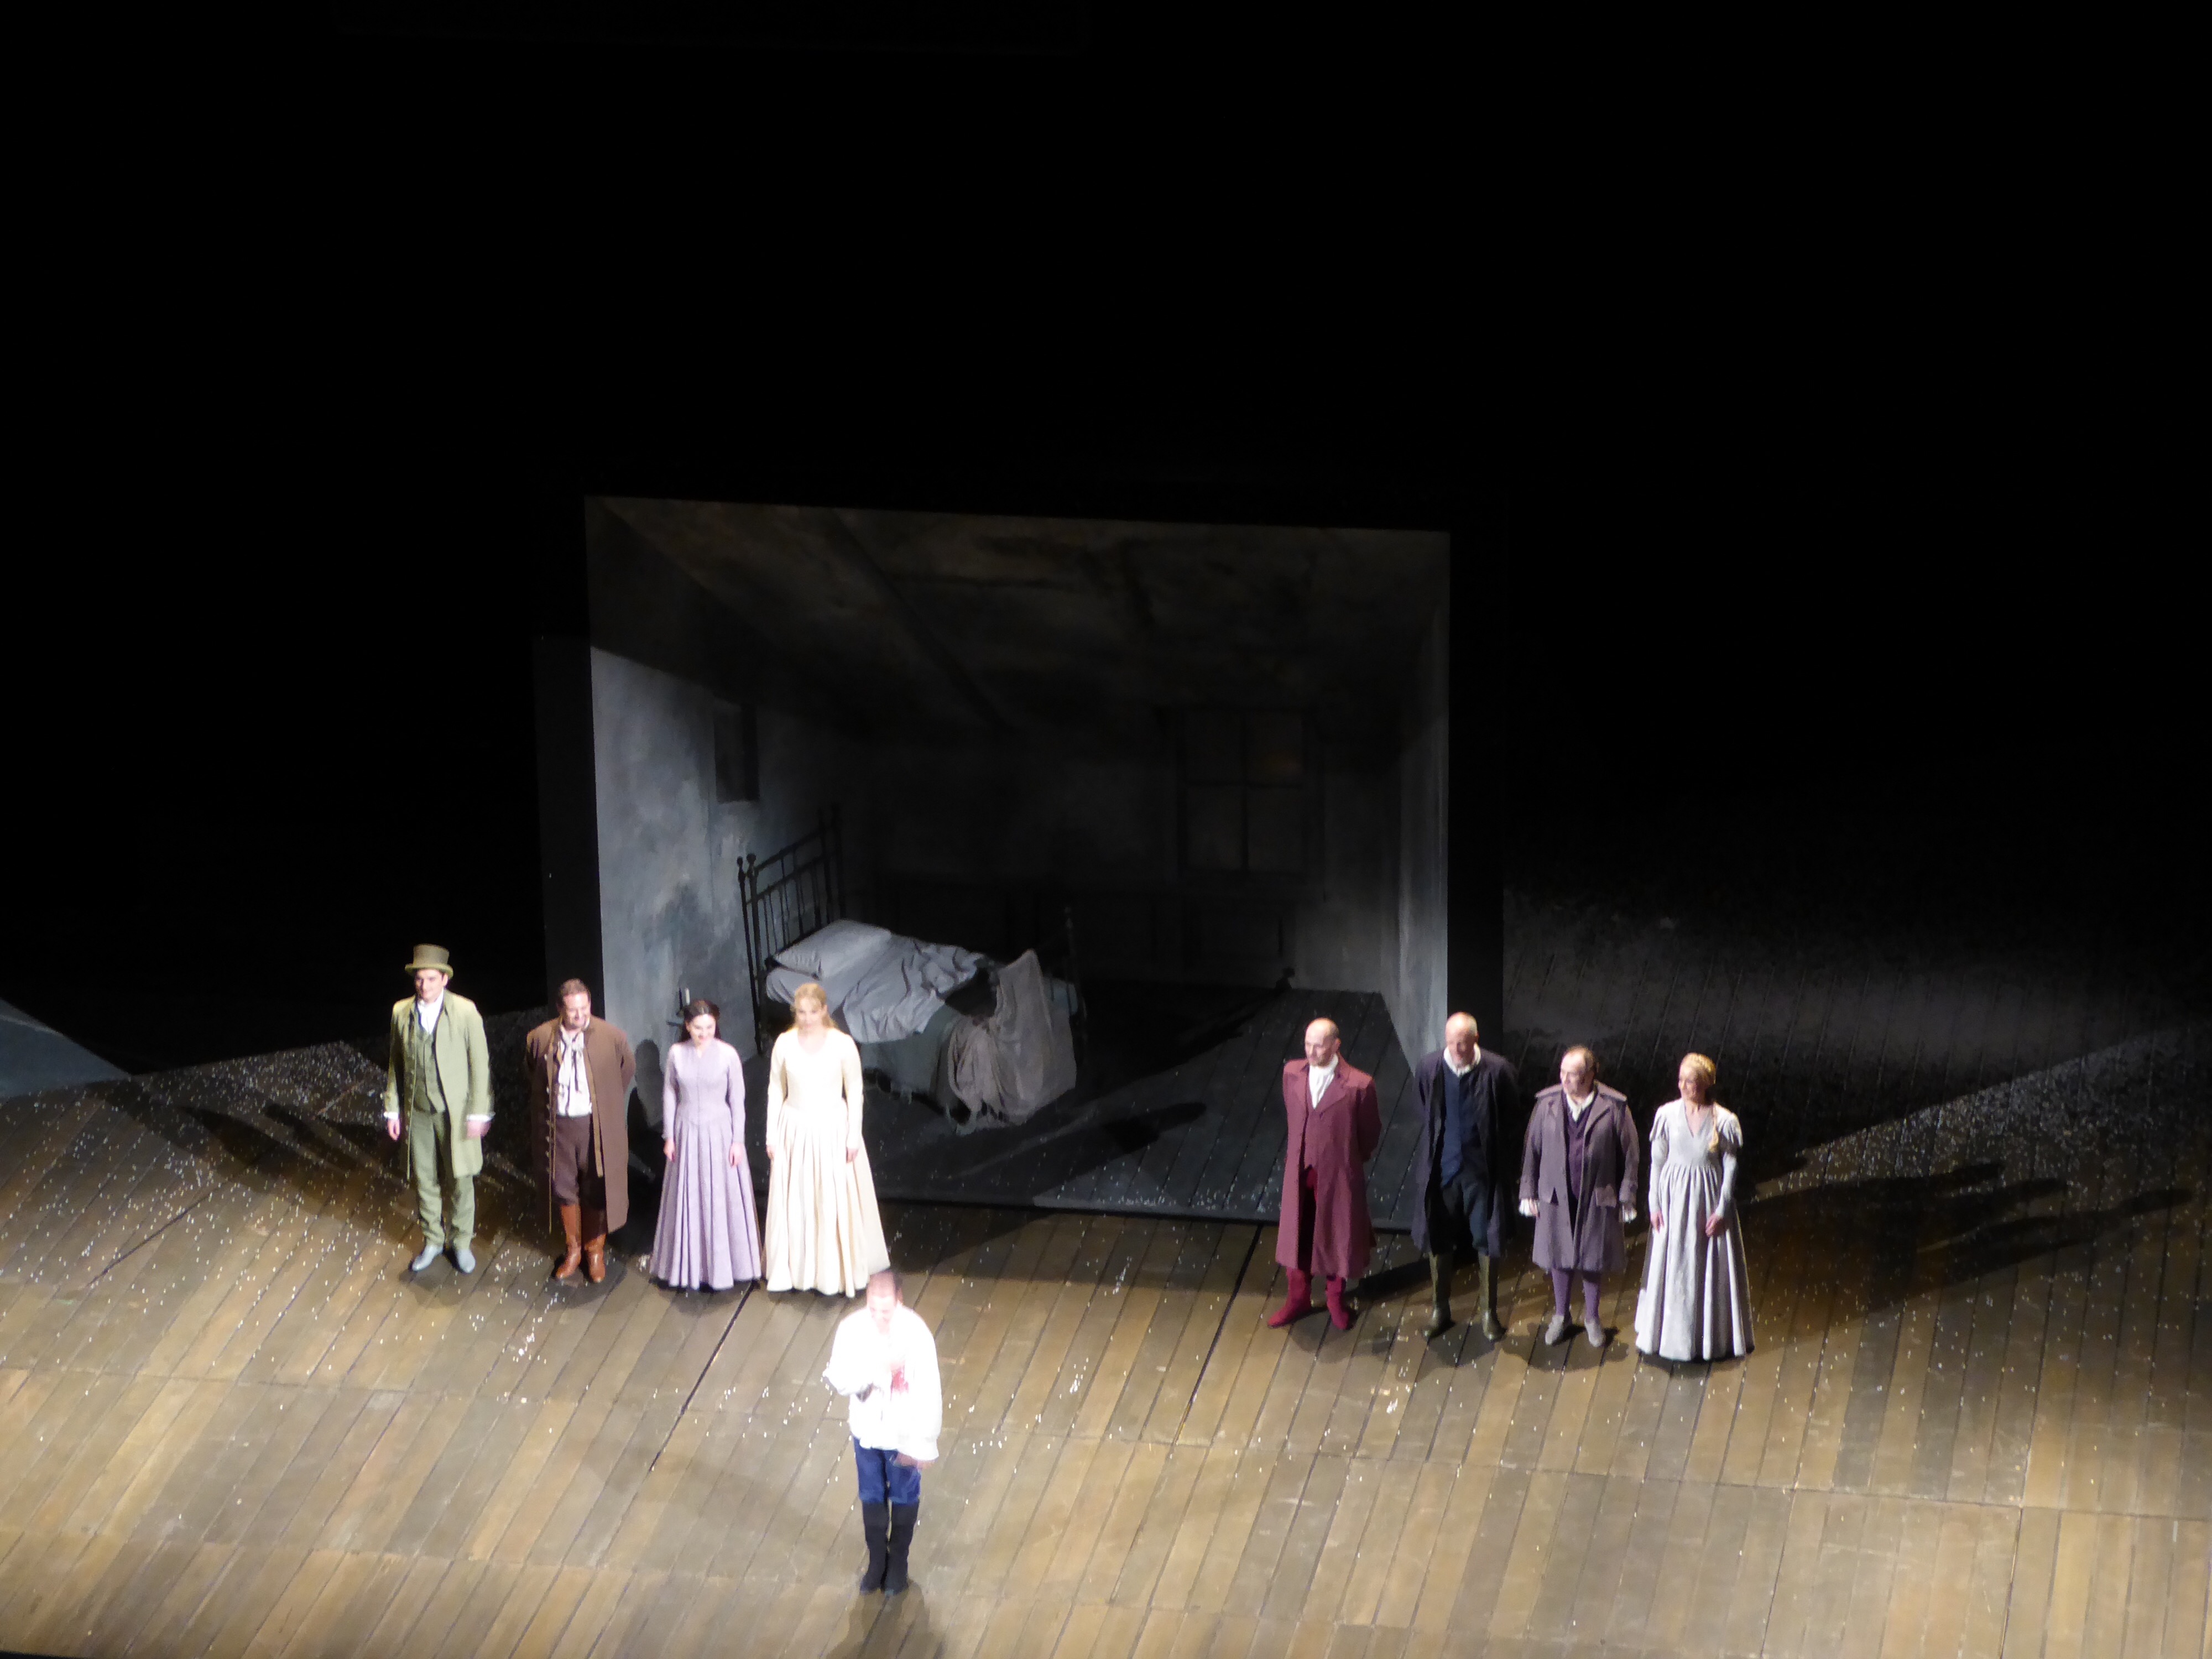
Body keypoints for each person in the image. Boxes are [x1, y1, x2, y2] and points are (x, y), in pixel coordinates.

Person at [763, 982, 891, 1295]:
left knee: (831, 1200)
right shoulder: (785, 1044)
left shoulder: (842, 1045)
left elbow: (855, 1091)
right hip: (795, 1131)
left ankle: (833, 1273)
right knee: (799, 1201)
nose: (806, 1018)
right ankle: (800, 1272)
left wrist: (853, 1136)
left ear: (823, 1010)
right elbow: (776, 1089)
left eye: (812, 1012)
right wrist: (771, 1135)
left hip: (832, 1129)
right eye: (801, 1012)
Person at [821, 1267, 941, 1594]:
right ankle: (877, 1561)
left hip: (904, 1434)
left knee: (904, 1495)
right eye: (873, 1309)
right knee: (871, 1495)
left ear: (899, 1300)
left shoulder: (916, 1334)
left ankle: (899, 1561)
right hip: (867, 1431)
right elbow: (839, 1379)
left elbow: (930, 1390)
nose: (878, 1318)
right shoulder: (852, 1329)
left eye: (885, 1311)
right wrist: (877, 1371)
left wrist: (925, 1443)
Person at [1634, 1053, 1755, 1361]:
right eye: (1681, 1080)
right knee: (1674, 1264)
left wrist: (1722, 1208)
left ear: (1705, 1084)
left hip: (1706, 1198)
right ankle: (1669, 1337)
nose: (1684, 1086)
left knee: (1705, 1264)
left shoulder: (1723, 1120)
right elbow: (1657, 1162)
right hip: (1673, 1200)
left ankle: (1708, 1338)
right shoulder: (1667, 1115)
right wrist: (1654, 1202)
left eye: (1691, 1081)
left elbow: (1730, 1165)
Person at [1411, 1012, 1522, 1339]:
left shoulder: (1498, 1071)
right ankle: (1440, 1308)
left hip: (1482, 1173)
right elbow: (1424, 1110)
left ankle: (1489, 1312)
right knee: (1439, 1236)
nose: (1457, 1050)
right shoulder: (1430, 1068)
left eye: (1462, 1043)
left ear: (1476, 1039)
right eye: (1451, 1043)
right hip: (1443, 1171)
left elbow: (1511, 1118)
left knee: (1487, 1240)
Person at [382, 945, 492, 1274]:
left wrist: (479, 1112)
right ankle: (433, 1239)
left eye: (431, 979)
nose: (424, 986)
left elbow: (480, 1065)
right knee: (424, 1177)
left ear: (445, 979)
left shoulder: (465, 1012)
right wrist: (393, 1108)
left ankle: (461, 1242)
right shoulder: (402, 1012)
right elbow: (395, 1064)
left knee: (460, 1178)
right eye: (419, 979)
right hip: (418, 1110)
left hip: (454, 1111)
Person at [1519, 1045, 1639, 1347]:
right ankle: (1561, 1315)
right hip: (1556, 1195)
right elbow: (1532, 1150)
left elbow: (1631, 1155)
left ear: (1589, 1076)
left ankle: (1593, 1318)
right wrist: (1528, 1191)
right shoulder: (1546, 1104)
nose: (1564, 1079)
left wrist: (1627, 1195)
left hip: (1596, 1195)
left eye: (1571, 1075)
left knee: (1592, 1257)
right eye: (1562, 1072)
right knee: (1558, 1254)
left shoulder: (1613, 1107)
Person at [1269, 1017, 1383, 1332]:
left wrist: (1346, 1161)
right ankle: (1298, 1298)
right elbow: (1295, 1116)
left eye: (1318, 1046)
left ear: (1336, 1045)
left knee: (1336, 1235)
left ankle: (1335, 1298)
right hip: (1300, 1172)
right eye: (1307, 1044)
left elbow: (1369, 1133)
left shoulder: (1359, 1085)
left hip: (1337, 1176)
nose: (1311, 1051)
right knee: (1299, 1233)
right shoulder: (1292, 1074)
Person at [523, 979, 637, 1283]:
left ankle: (594, 1250)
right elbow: (533, 1071)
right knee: (563, 1187)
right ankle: (573, 1249)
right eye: (573, 1010)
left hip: (592, 1125)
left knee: (596, 1184)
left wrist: (604, 1104)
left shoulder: (611, 1037)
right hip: (559, 1126)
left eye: (585, 1008)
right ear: (560, 1009)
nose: (580, 1015)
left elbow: (625, 1070)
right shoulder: (541, 1037)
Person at [651, 999, 764, 1291]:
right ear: (688, 1026)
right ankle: (690, 1267)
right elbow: (670, 1094)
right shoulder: (677, 1054)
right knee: (689, 1196)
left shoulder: (728, 1055)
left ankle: (727, 1267)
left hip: (720, 1132)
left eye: (710, 1027)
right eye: (699, 1028)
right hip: (687, 1131)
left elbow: (737, 1101)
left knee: (721, 1198)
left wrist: (738, 1141)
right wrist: (669, 1136)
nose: (704, 1034)